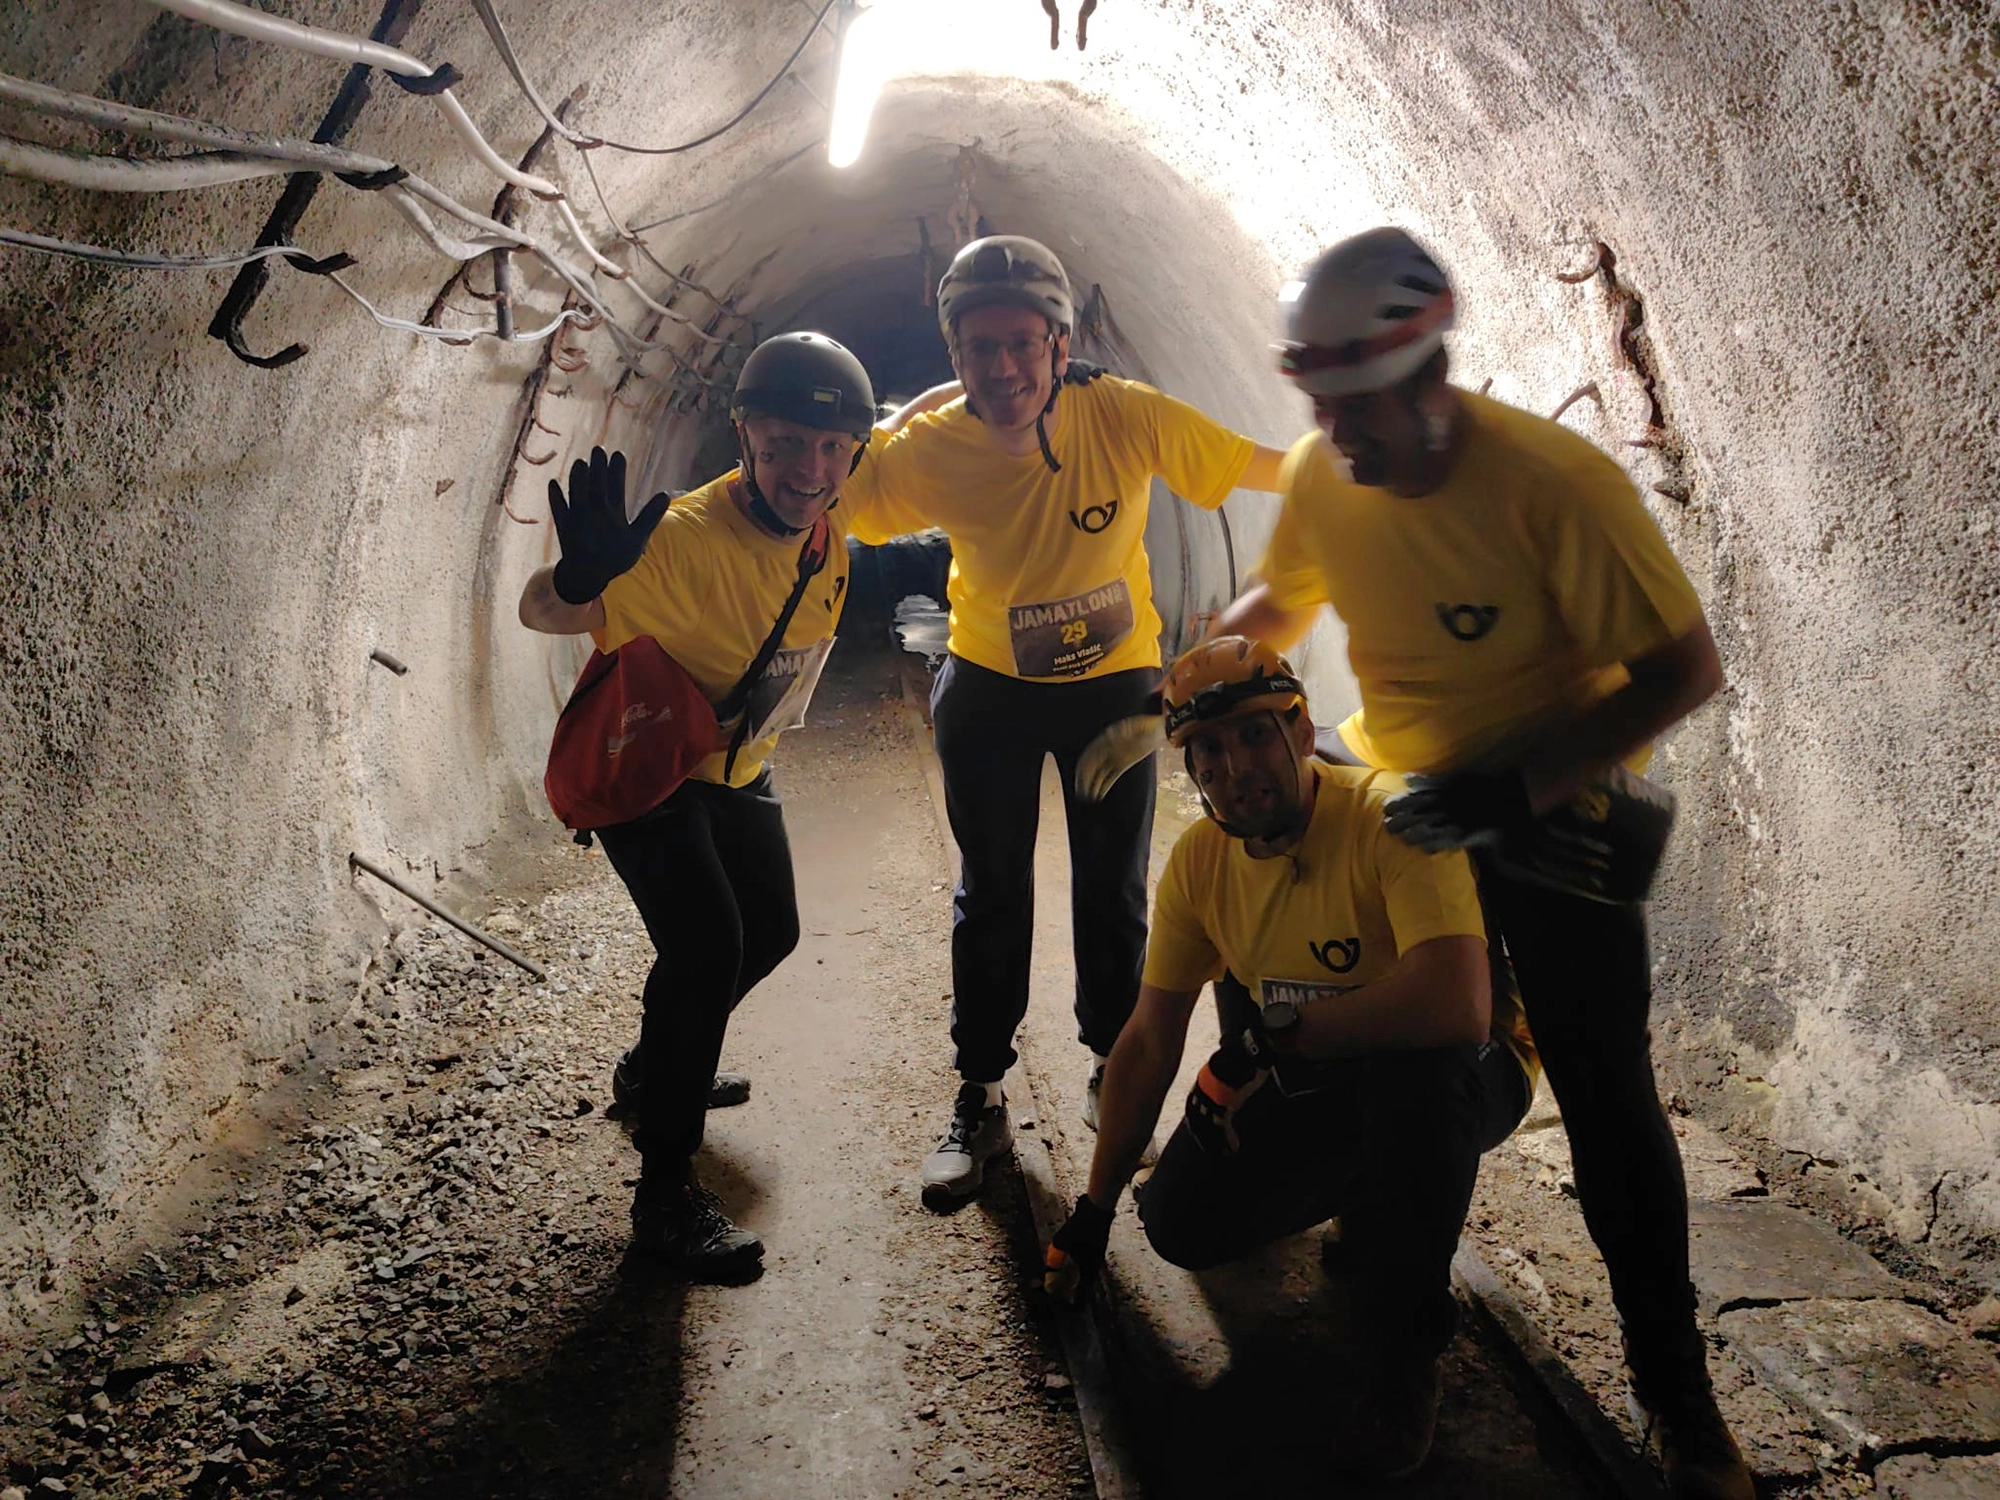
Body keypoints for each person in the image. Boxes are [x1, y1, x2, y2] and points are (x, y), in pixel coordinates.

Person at [1215, 227, 1747, 1499]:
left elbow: (1682, 671)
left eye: (1358, 407)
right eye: (1320, 408)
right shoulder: (1326, 474)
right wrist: (1213, 654)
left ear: (1428, 376)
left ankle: (1678, 1401)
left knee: (1606, 1096)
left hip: (1554, 804)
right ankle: (1399, 1345)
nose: (1335, 436)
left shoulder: (1551, 486)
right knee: (1398, 1057)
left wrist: (1509, 793)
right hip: (1410, 800)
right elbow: (1286, 598)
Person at [843, 235, 1290, 1208]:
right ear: (954, 352)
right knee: (991, 891)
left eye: (1021, 343)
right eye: (977, 347)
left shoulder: (1122, 415)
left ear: (1059, 343)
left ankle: (1109, 1066)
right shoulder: (935, 446)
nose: (1001, 367)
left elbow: (1256, 466)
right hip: (990, 690)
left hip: (1112, 691)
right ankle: (980, 1092)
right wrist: (918, 406)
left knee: (1113, 889)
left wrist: (1368, 470)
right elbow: (840, 496)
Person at [1044, 637, 1532, 1479]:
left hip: (1467, 1067)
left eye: (1254, 735)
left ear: (1302, 733)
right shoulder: (1201, 864)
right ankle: (1367, 1196)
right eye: (1208, 751)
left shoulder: (1391, 818)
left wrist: (1264, 1045)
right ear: (1192, 772)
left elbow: (1456, 1006)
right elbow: (1149, 1039)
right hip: (1327, 1071)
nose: (1236, 768)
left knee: (1415, 1084)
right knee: (1178, 1223)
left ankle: (1405, 1351)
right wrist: (1093, 1212)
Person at [516, 332, 875, 1281]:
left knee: (772, 930)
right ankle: (663, 1198)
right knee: (707, 947)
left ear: (853, 454)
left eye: (831, 448)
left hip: (735, 765)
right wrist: (581, 579)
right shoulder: (682, 538)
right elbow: (540, 610)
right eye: (787, 442)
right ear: (746, 432)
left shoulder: (826, 536)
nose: (809, 468)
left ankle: (657, 1065)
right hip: (649, 768)